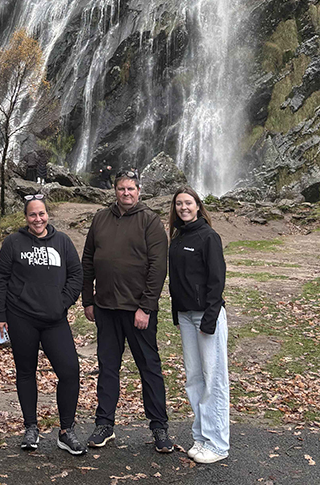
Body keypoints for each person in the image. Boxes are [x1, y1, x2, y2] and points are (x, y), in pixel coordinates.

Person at [81, 169, 173, 453]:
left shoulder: (151, 221)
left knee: (149, 368)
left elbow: (158, 268)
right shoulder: (100, 218)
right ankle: (104, 424)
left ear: (139, 191)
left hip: (138, 312)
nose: (126, 193)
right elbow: (87, 261)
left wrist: (146, 307)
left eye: (131, 189)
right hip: (106, 308)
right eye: (121, 189)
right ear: (115, 190)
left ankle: (159, 427)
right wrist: (88, 300)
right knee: (108, 368)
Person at [0, 195, 86, 455]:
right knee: (26, 372)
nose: (38, 219)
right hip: (21, 317)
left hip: (55, 319)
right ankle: (30, 427)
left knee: (69, 371)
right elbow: (1, 278)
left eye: (41, 214)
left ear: (48, 215)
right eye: (32, 215)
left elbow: (76, 275)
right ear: (26, 217)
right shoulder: (13, 243)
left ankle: (66, 431)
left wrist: (62, 303)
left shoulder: (63, 242)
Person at [167, 187, 229, 464]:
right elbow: (176, 281)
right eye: (179, 204)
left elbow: (217, 279)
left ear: (198, 205)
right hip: (186, 316)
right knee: (194, 378)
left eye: (188, 203)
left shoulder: (208, 237)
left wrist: (210, 317)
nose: (183, 207)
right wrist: (175, 313)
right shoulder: (178, 238)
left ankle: (218, 443)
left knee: (213, 379)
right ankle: (201, 437)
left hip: (206, 315)